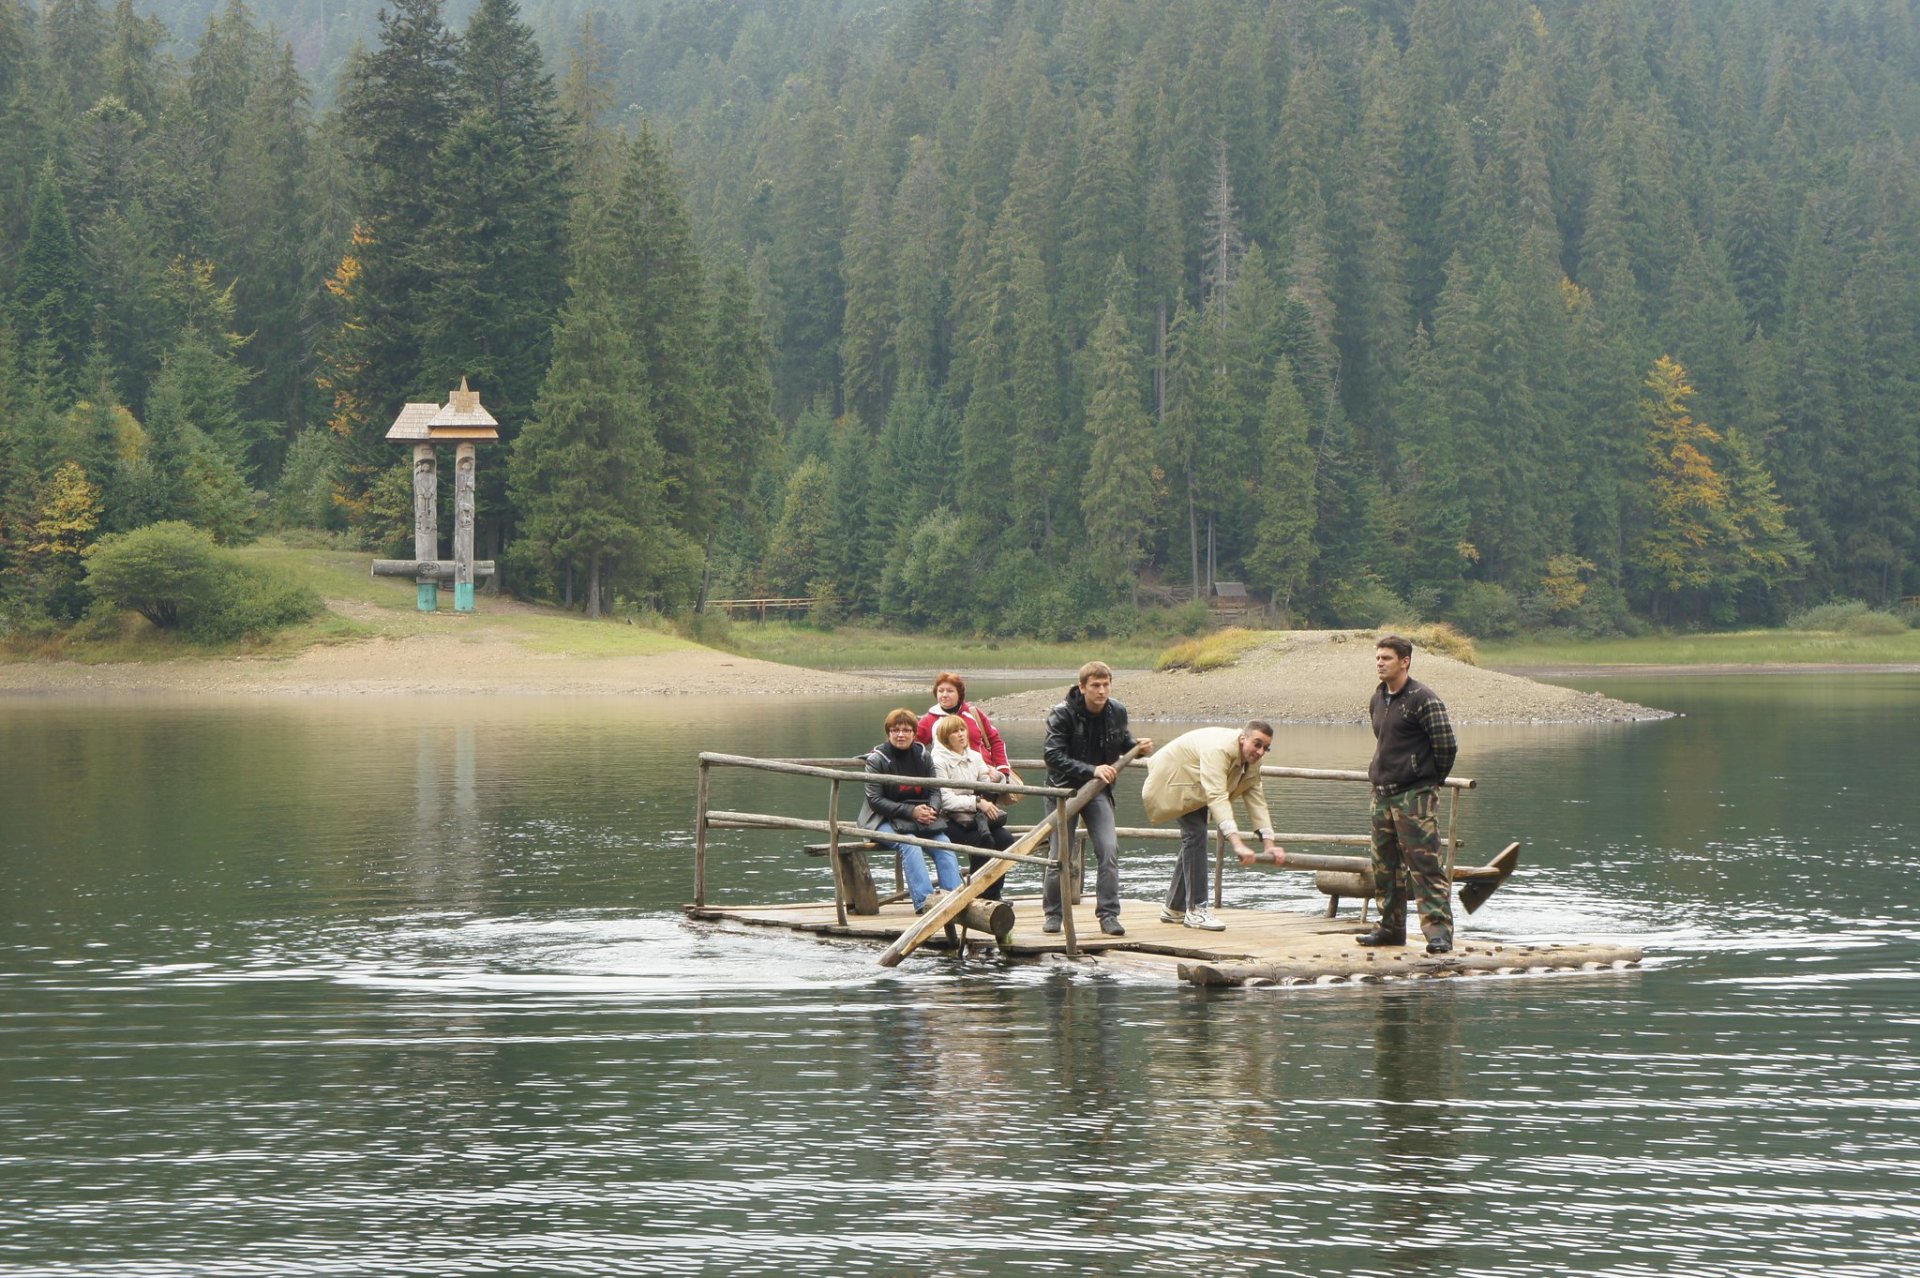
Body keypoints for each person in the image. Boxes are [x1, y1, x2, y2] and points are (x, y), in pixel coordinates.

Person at [1357, 634, 1460, 955]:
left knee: (1424, 863)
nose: (1379, 663)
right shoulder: (1378, 698)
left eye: (1386, 658)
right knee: (1383, 865)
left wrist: (1429, 779)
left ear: (1405, 661)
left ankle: (1438, 933)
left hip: (1415, 794)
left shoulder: (1423, 698)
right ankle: (1390, 928)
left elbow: (1447, 746)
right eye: (1377, 658)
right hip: (1382, 793)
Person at [1041, 661, 1152, 936]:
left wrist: (1138, 748)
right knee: (1059, 856)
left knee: (1109, 849)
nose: (1101, 691)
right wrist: (1092, 769)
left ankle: (1108, 915)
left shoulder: (1117, 711)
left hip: (1098, 792)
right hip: (1063, 792)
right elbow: (1051, 756)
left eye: (1106, 685)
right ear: (1082, 687)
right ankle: (1053, 914)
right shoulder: (1062, 714)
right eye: (1095, 686)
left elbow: (1123, 742)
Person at [1140, 721, 1286, 931]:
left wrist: (1269, 844)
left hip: (1197, 785)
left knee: (1194, 837)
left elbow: (1255, 798)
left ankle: (1174, 908)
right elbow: (1217, 796)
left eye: (1266, 747)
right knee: (1196, 834)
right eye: (1257, 744)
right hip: (1173, 780)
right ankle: (1197, 910)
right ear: (1243, 738)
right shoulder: (1218, 749)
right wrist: (1237, 843)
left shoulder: (1252, 760)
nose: (1260, 751)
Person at [858, 708, 962, 913]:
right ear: (888, 733)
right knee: (910, 845)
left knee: (945, 845)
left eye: (906, 730)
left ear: (914, 733)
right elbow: (875, 800)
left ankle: (954, 902)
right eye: (895, 730)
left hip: (919, 818)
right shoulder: (877, 760)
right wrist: (911, 811)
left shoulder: (923, 756)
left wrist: (932, 809)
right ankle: (925, 904)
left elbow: (934, 789)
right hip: (880, 820)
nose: (900, 735)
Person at [929, 713, 1016, 901]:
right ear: (945, 738)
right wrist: (977, 802)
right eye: (954, 732)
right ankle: (976, 895)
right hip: (948, 819)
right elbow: (946, 800)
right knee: (983, 841)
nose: (961, 734)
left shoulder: (975, 757)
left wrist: (997, 778)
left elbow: (986, 785)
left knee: (1006, 840)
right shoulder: (937, 761)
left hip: (973, 817)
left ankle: (992, 894)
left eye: (962, 730)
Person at [915, 672, 1011, 774]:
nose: (944, 695)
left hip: (984, 774)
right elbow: (912, 746)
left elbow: (995, 741)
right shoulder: (929, 720)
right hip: (949, 777)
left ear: (959, 694)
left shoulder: (974, 713)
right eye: (940, 691)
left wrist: (1002, 769)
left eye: (950, 691)